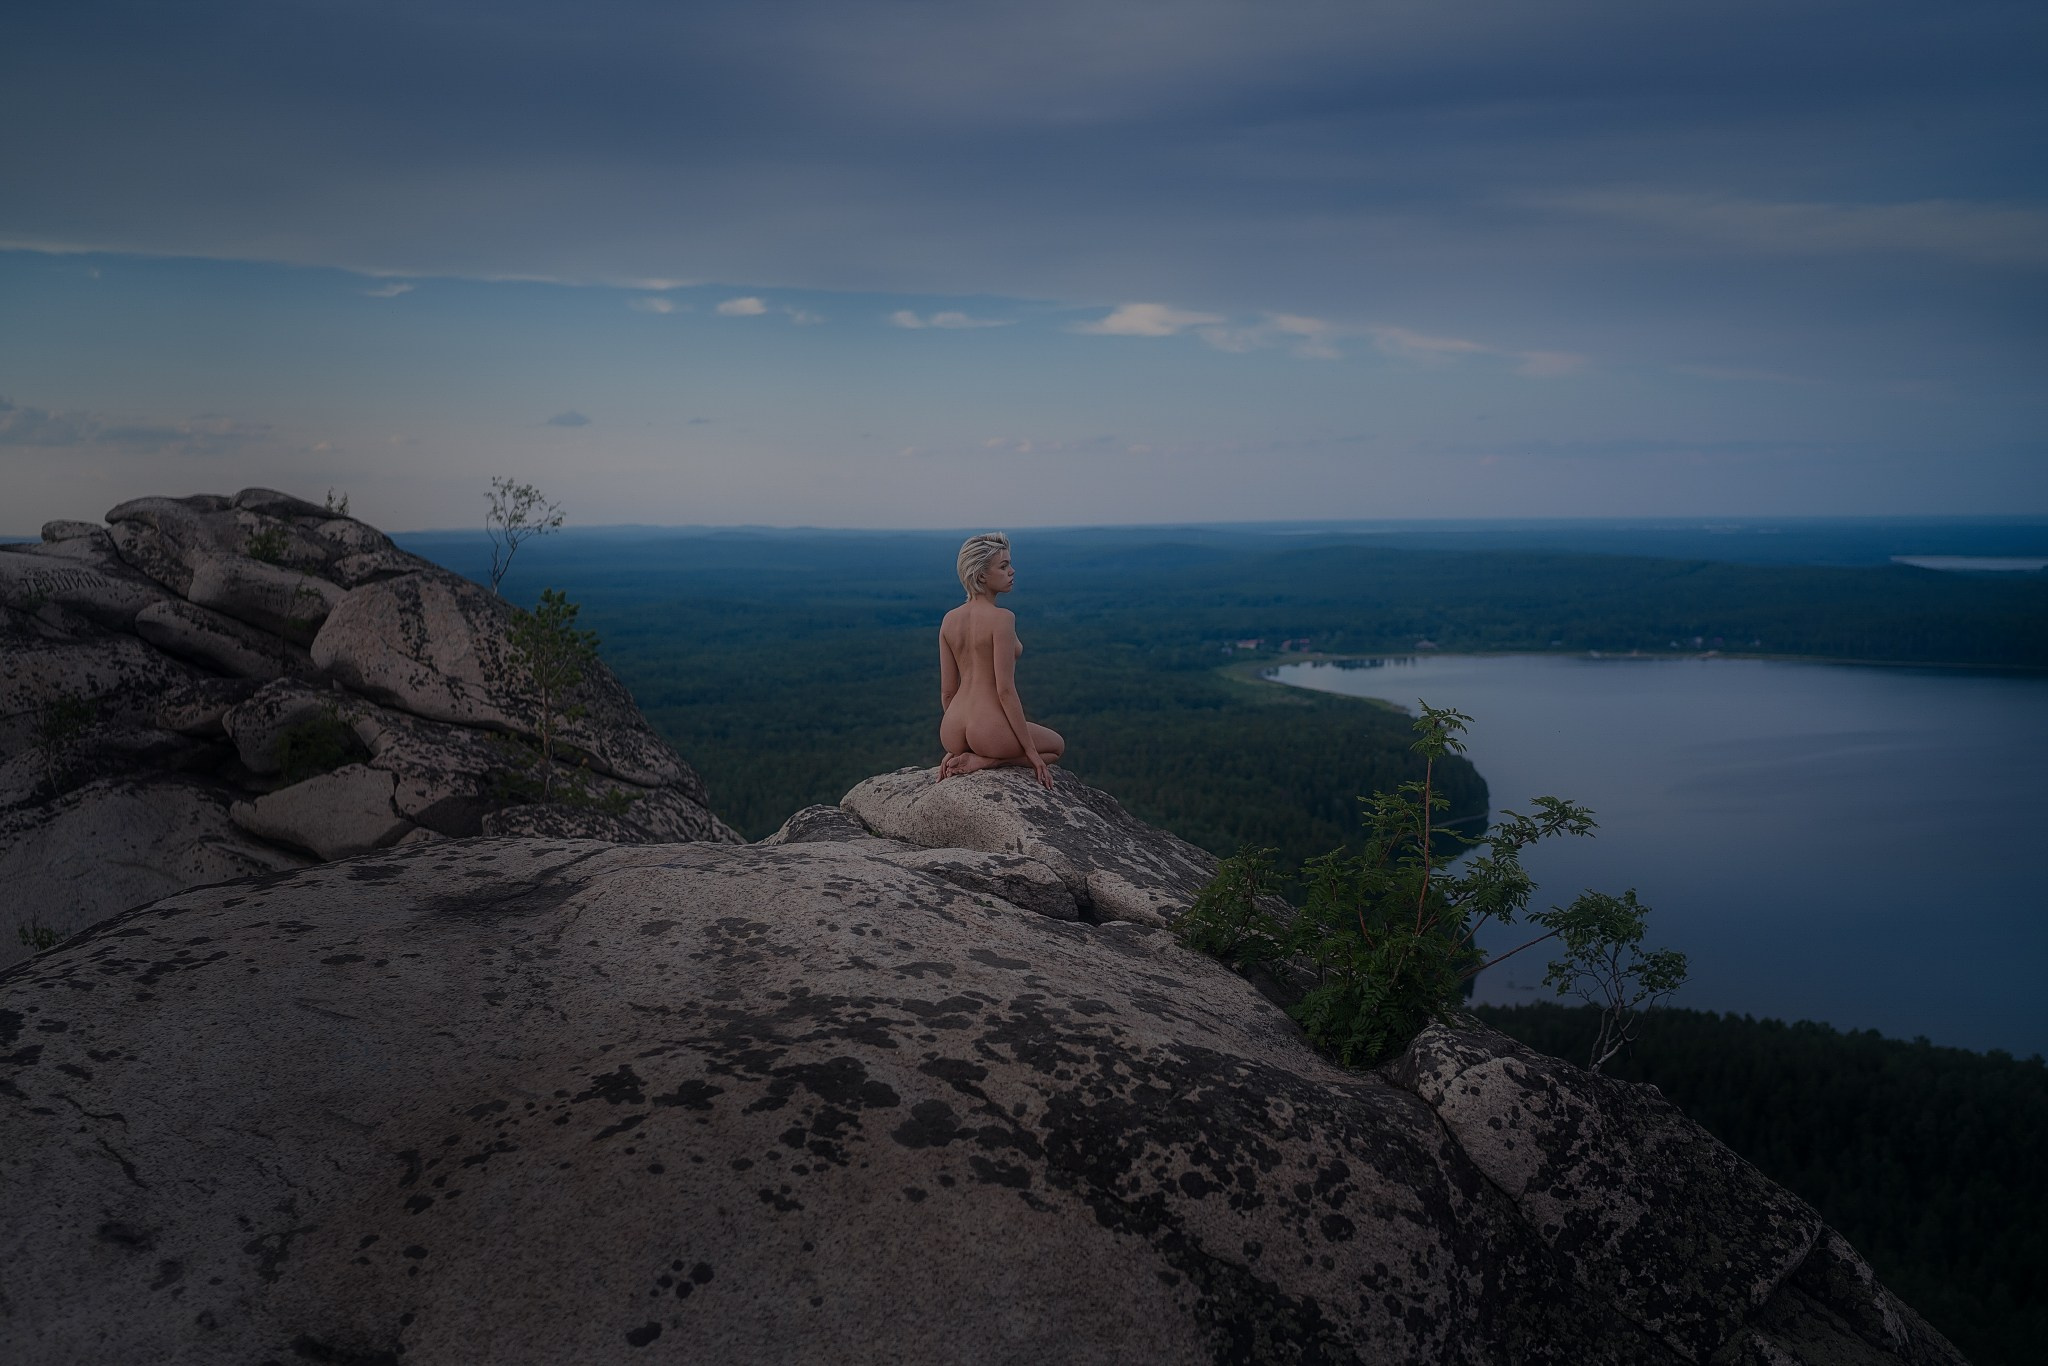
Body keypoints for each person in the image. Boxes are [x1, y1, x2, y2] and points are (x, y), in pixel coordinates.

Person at [937, 532, 1065, 787]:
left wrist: (955, 745)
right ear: (982, 575)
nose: (1012, 571)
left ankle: (970, 753)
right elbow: (1005, 691)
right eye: (1004, 566)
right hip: (989, 730)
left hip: (951, 727)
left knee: (1037, 745)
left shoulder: (949, 619)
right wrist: (1030, 753)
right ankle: (990, 761)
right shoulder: (1002, 619)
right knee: (1055, 747)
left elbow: (948, 692)